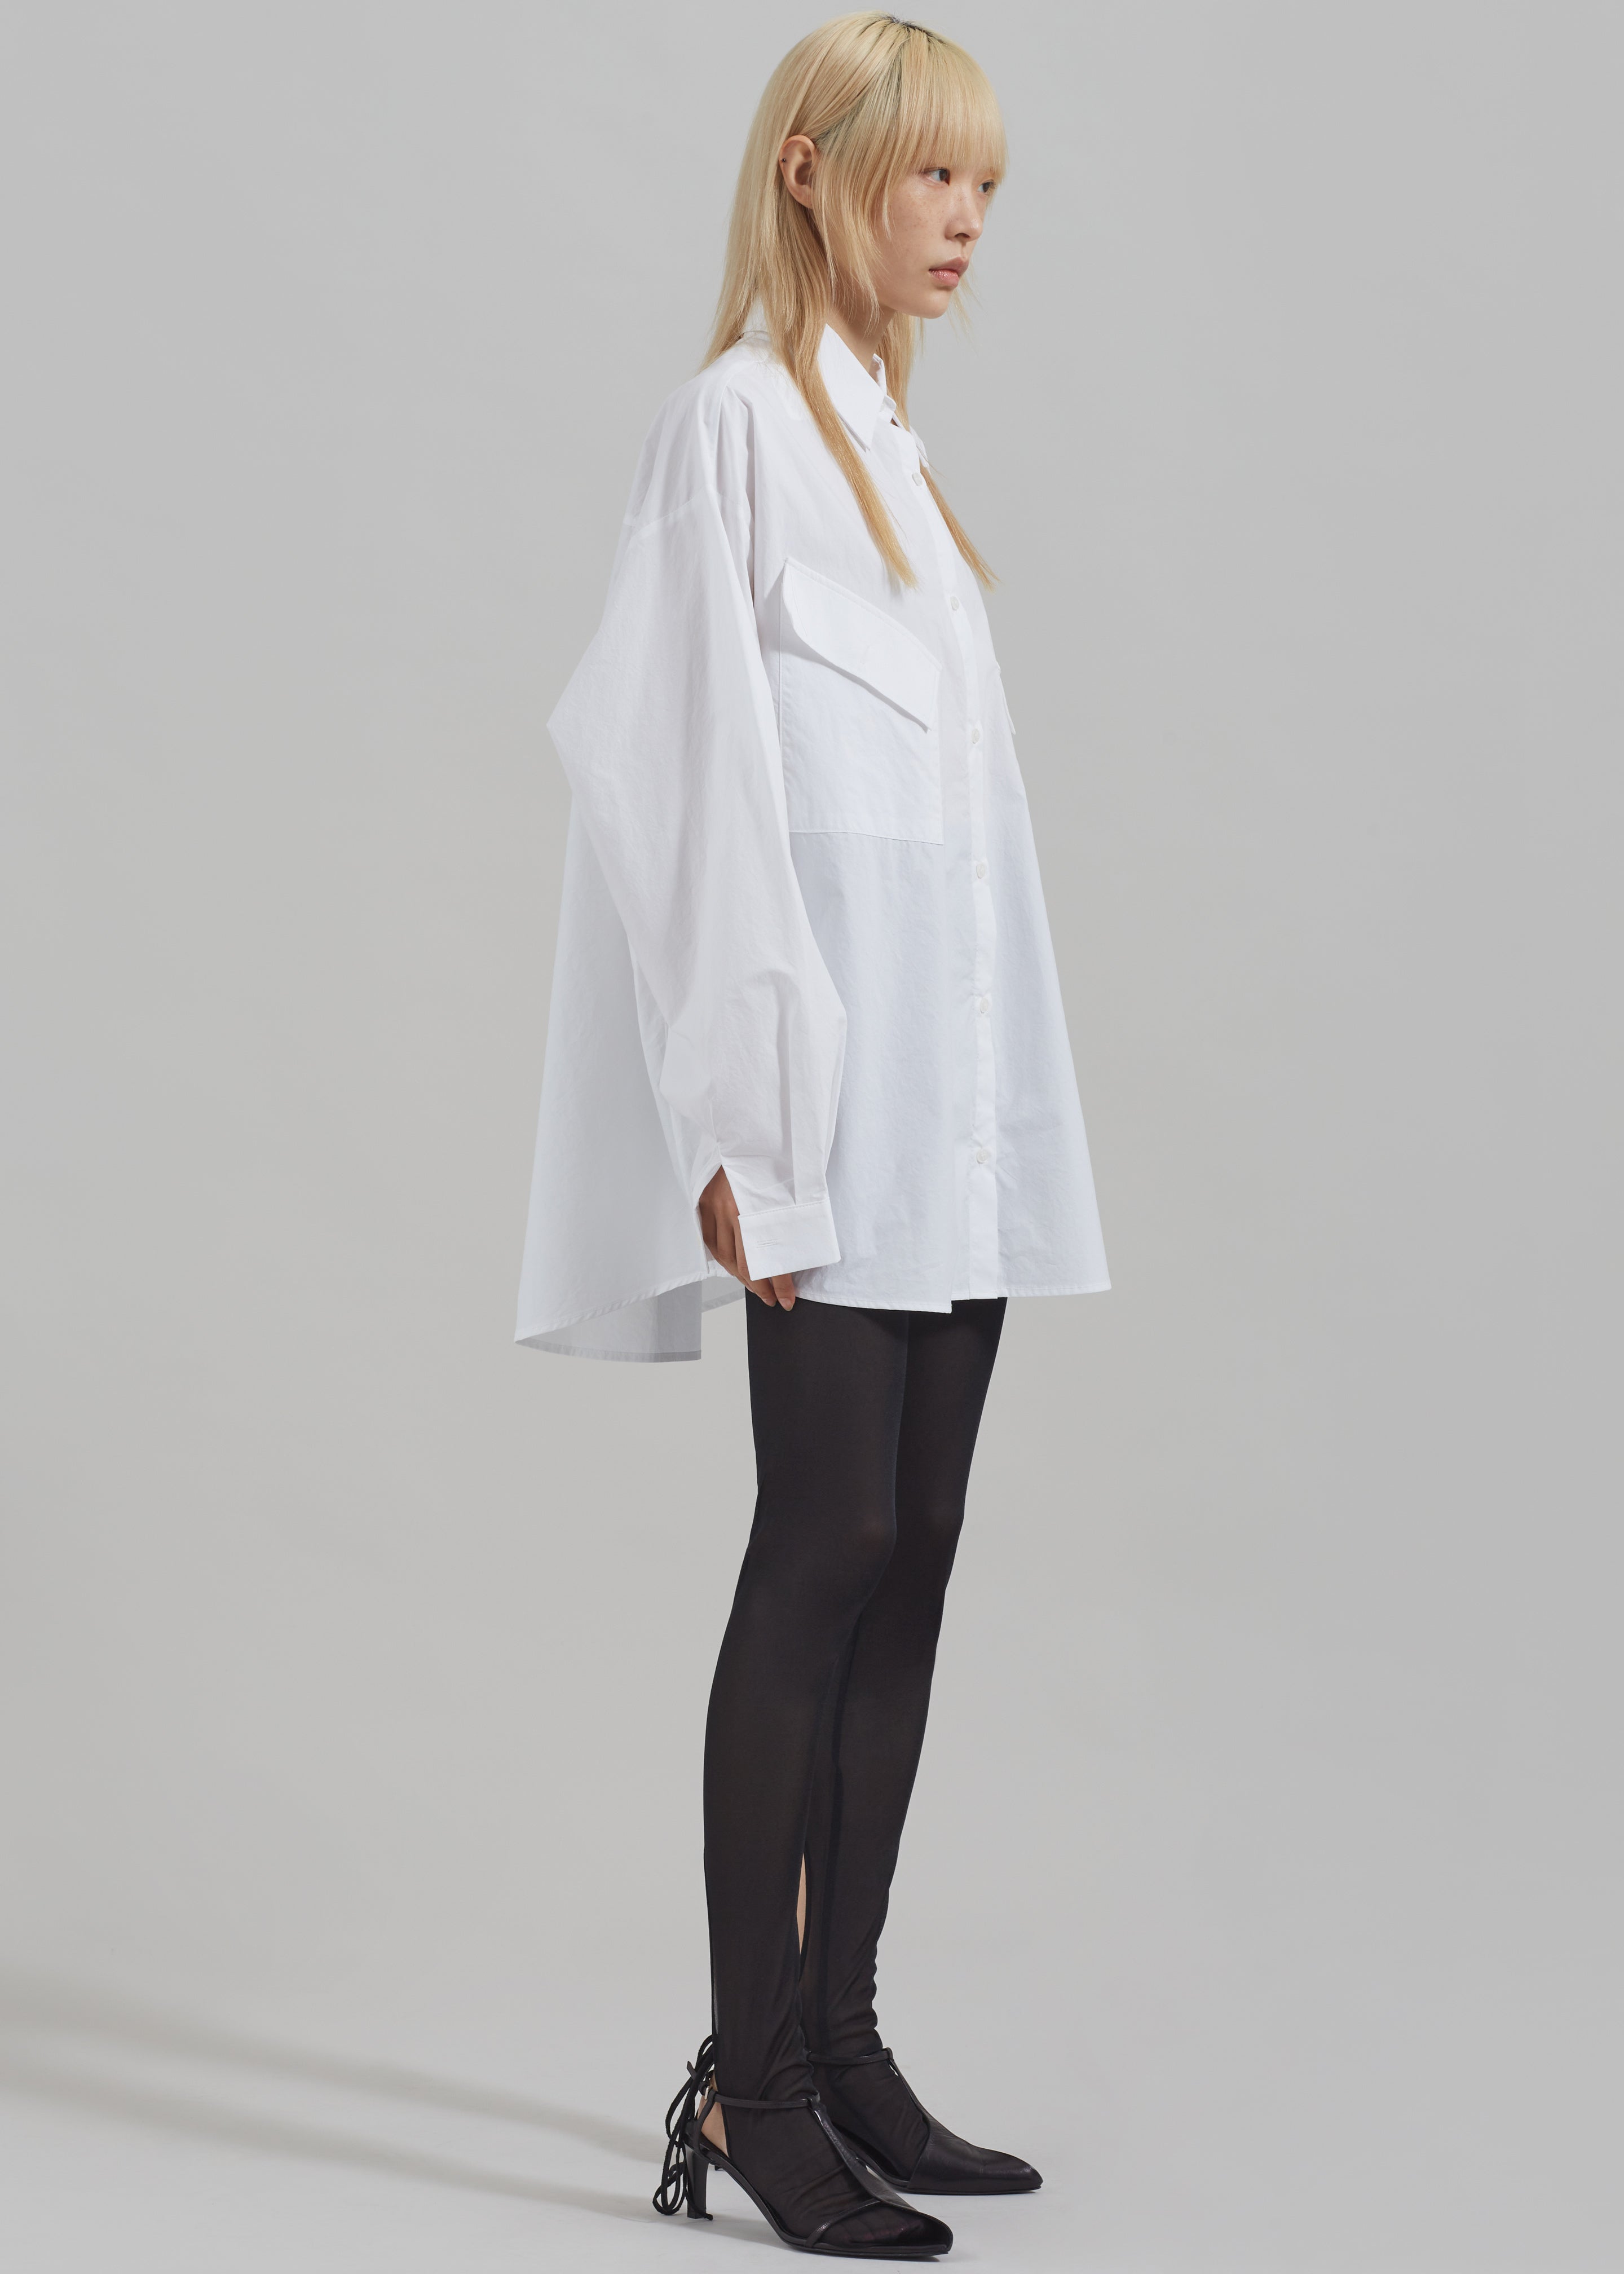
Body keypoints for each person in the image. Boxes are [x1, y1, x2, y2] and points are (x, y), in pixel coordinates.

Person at [516, 12, 1107, 2257]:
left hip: (958, 1117)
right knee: (827, 1534)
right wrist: (750, 1133)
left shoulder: (900, 466)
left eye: (987, 188)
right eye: (929, 176)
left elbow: (954, 864)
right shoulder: (736, 434)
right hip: (827, 1119)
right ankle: (751, 2090)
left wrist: (1005, 1125)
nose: (965, 223)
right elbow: (687, 808)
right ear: (810, 172)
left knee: (919, 1541)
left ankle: (844, 2048)